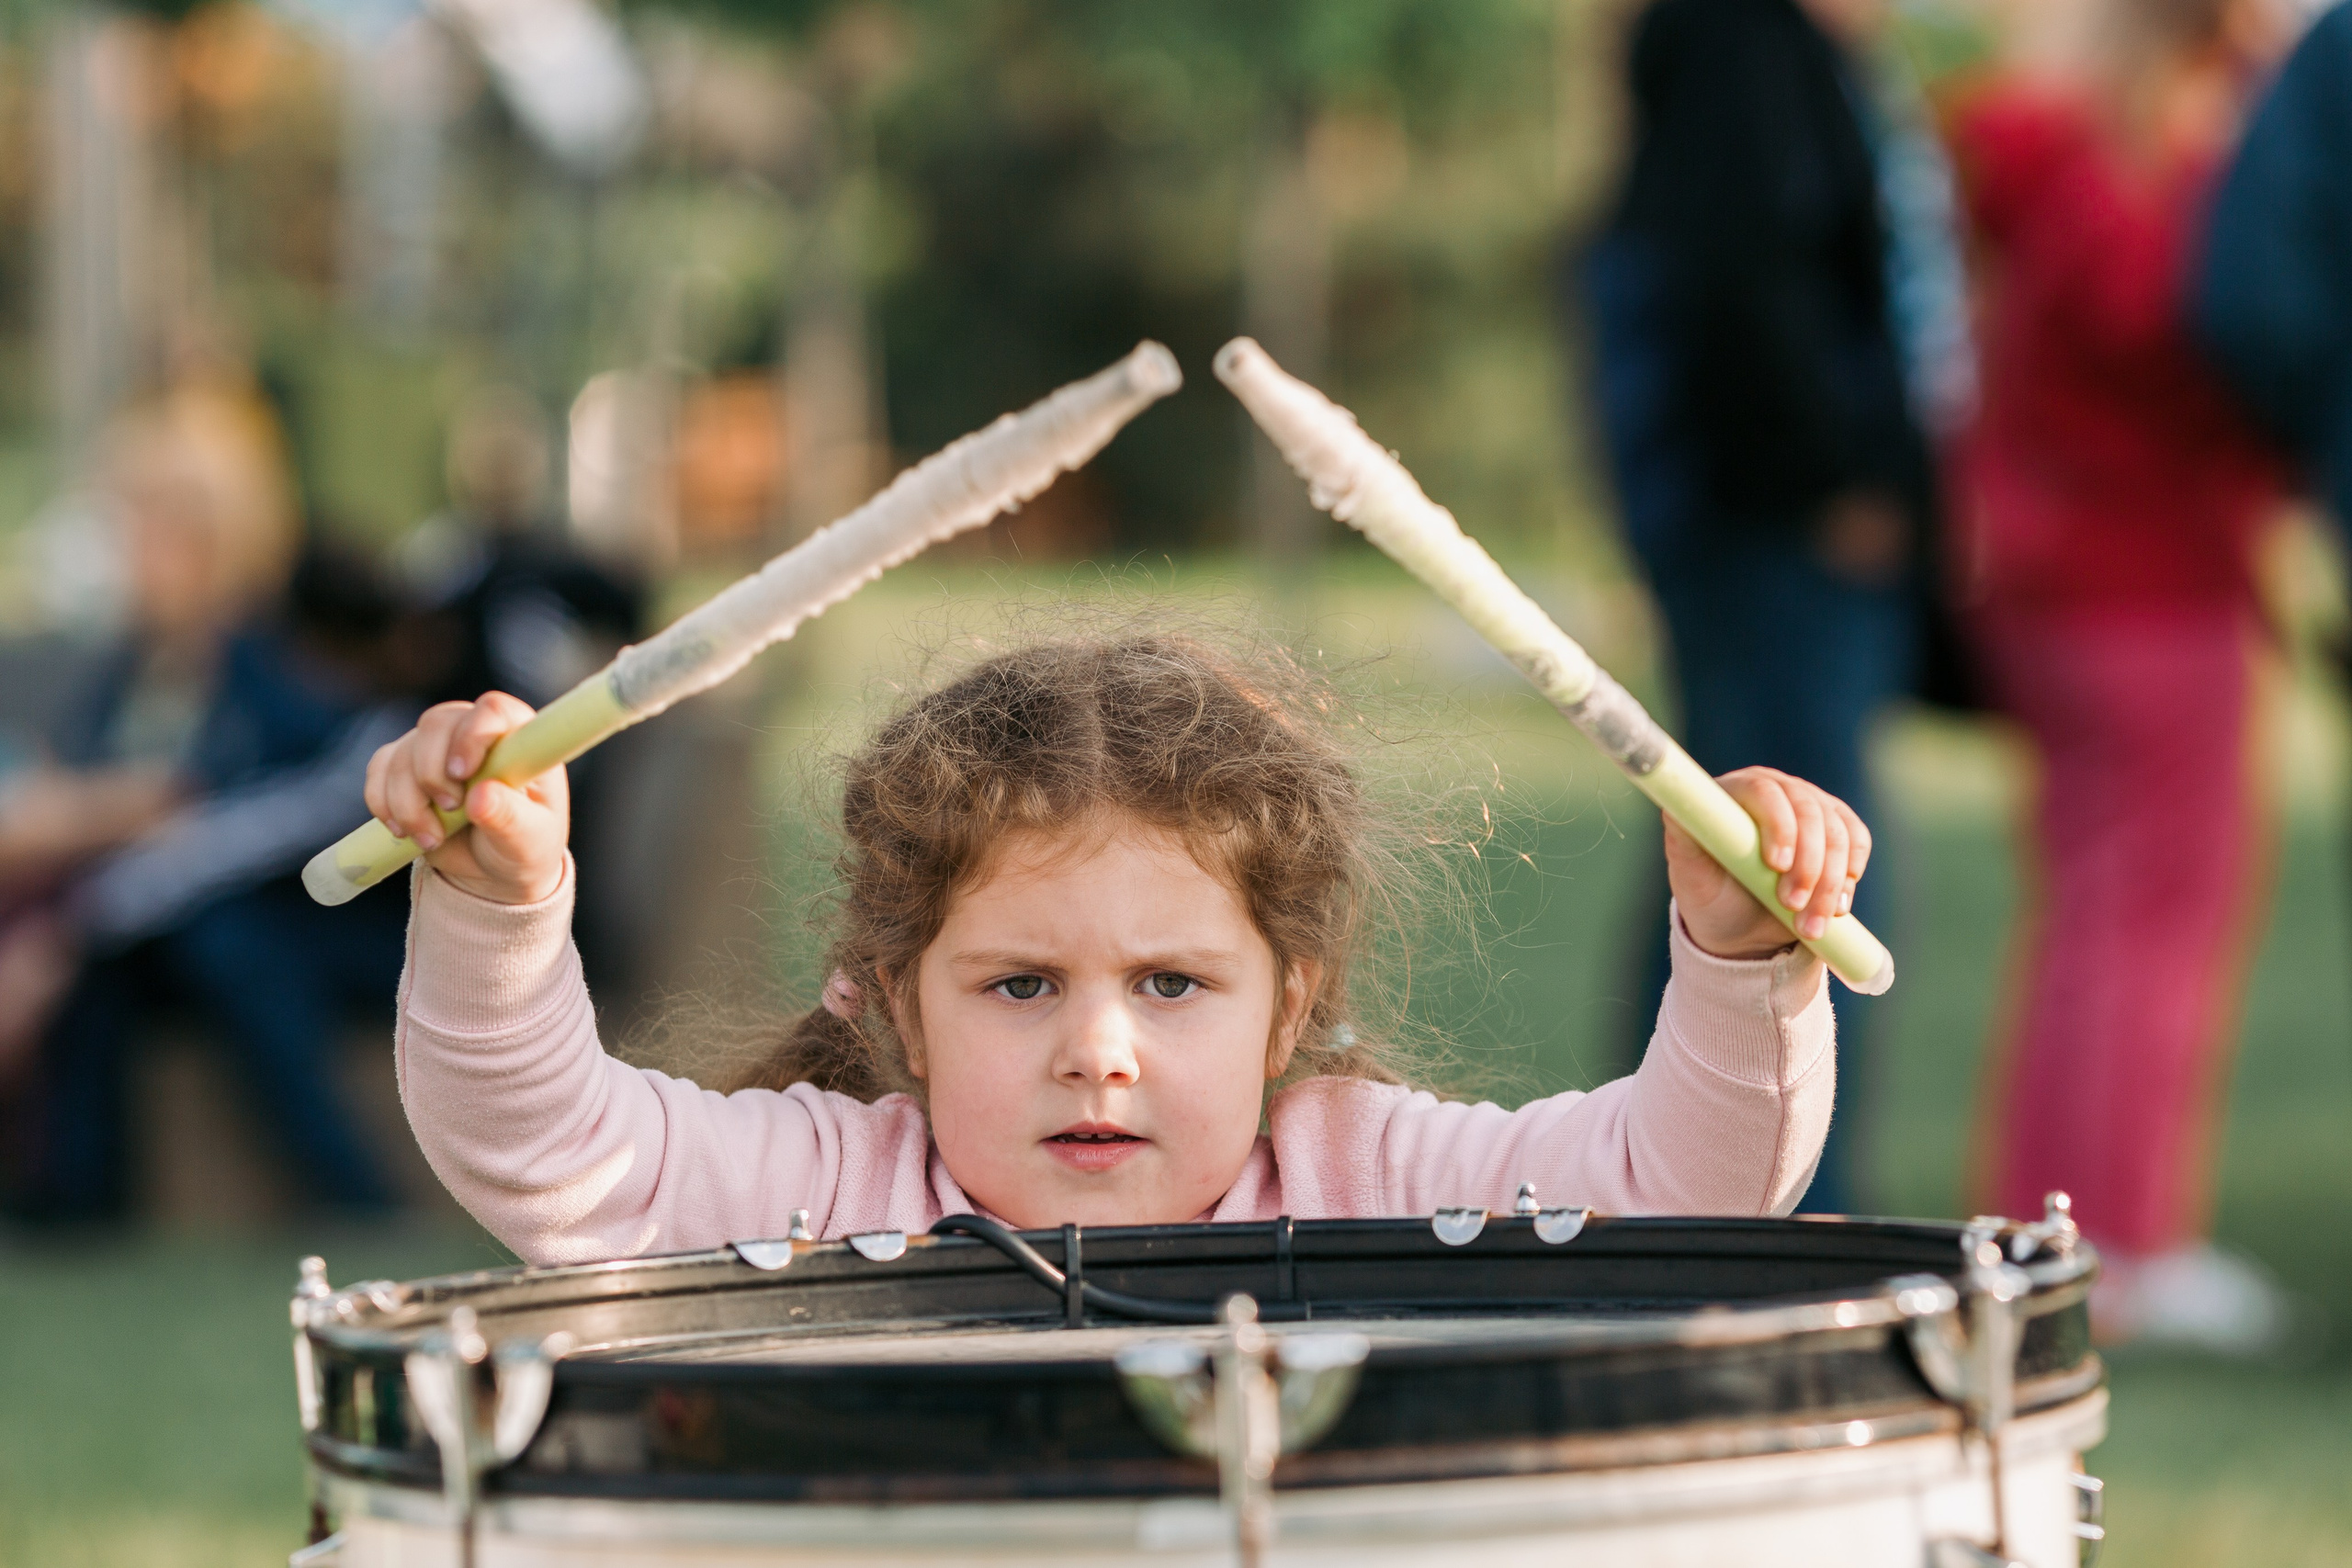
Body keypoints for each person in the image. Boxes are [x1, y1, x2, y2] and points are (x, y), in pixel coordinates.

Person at [367, 636, 1869, 1261]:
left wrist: (1740, 964)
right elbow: (546, 1151)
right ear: (895, 1000)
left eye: (1173, 984)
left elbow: (1682, 1197)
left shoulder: (1368, 1185)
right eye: (1021, 984)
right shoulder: (833, 1191)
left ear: (1295, 1006)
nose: (1100, 1047)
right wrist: (498, 906)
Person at [1949, 0, 2293, 1351]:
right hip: (2151, 585)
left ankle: (2054, 1220)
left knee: (2099, 920)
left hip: (2058, 583)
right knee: (2155, 926)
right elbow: (2203, 335)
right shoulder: (2140, 180)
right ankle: (2124, 1240)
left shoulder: (2039, 153)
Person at [1579, 0, 1944, 1213]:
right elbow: (1744, 270)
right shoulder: (1743, 40)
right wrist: (1830, 477)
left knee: (1729, 848)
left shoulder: (1760, 48)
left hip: (1758, 528)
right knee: (1791, 852)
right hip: (1774, 530)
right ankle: (1768, 1197)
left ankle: (1688, 1182)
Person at [1, 390, 420, 1222]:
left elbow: (260, 828)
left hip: (315, 921)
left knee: (219, 934)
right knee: (132, 954)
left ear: (213, 537)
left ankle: (354, 1195)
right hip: (149, 932)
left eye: (147, 522)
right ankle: (72, 1203)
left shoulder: (275, 678)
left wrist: (70, 926)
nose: (127, 546)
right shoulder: (119, 678)